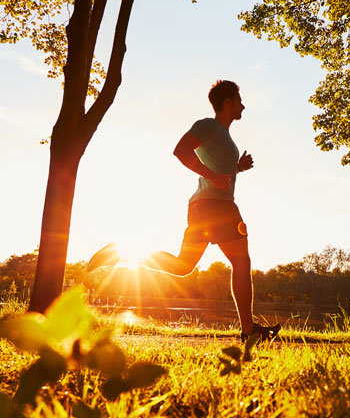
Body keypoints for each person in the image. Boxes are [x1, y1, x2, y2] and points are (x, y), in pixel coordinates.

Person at [87, 80, 280, 342]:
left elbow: (221, 170)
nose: (242, 105)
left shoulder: (223, 135)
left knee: (182, 266)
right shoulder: (209, 126)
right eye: (239, 100)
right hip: (218, 206)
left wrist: (238, 168)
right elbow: (180, 150)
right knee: (242, 262)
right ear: (227, 103)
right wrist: (213, 176)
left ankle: (119, 254)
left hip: (203, 206)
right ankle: (248, 330)